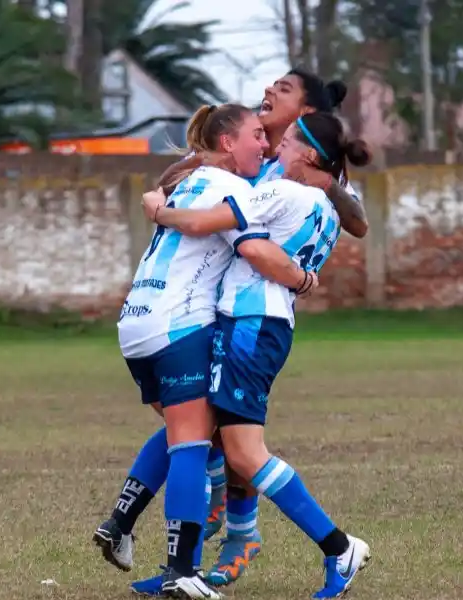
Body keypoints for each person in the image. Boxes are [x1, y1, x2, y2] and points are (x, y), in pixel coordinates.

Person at [140, 111, 373, 599]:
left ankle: (338, 547)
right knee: (212, 440)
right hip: (260, 323)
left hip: (251, 325)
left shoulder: (285, 192)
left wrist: (160, 211)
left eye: (285, 142)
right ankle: (185, 566)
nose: (273, 149)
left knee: (241, 452)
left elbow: (205, 222)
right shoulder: (324, 205)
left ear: (308, 154)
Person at [96, 103, 319, 600]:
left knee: (191, 432)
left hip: (136, 323)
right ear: (226, 143)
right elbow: (257, 251)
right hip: (180, 325)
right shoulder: (235, 189)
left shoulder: (189, 180)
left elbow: (173, 193)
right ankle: (180, 569)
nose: (264, 145)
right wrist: (303, 278)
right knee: (193, 444)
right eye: (256, 135)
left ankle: (121, 523)